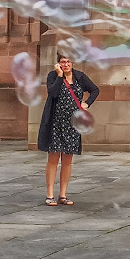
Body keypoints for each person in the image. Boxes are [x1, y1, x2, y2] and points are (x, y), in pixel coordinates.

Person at [37, 55, 99, 206]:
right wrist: (59, 76)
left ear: (72, 63)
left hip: (72, 124)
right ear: (58, 64)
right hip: (56, 123)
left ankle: (63, 195)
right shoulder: (53, 76)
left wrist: (87, 103)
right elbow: (53, 93)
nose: (66, 64)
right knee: (53, 158)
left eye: (68, 61)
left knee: (67, 160)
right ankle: (50, 194)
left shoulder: (79, 77)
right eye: (62, 62)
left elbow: (95, 90)